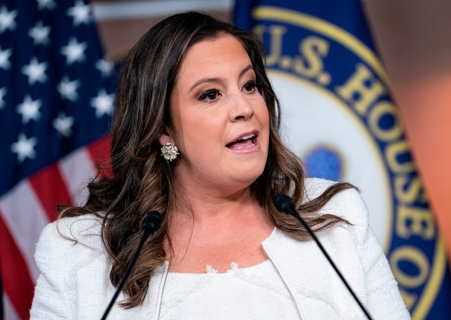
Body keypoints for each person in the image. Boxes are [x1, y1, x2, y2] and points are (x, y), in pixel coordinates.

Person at [30, 12, 409, 319]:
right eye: (210, 94)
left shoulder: (336, 217)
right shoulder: (78, 252)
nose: (245, 107)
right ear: (163, 130)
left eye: (249, 86)